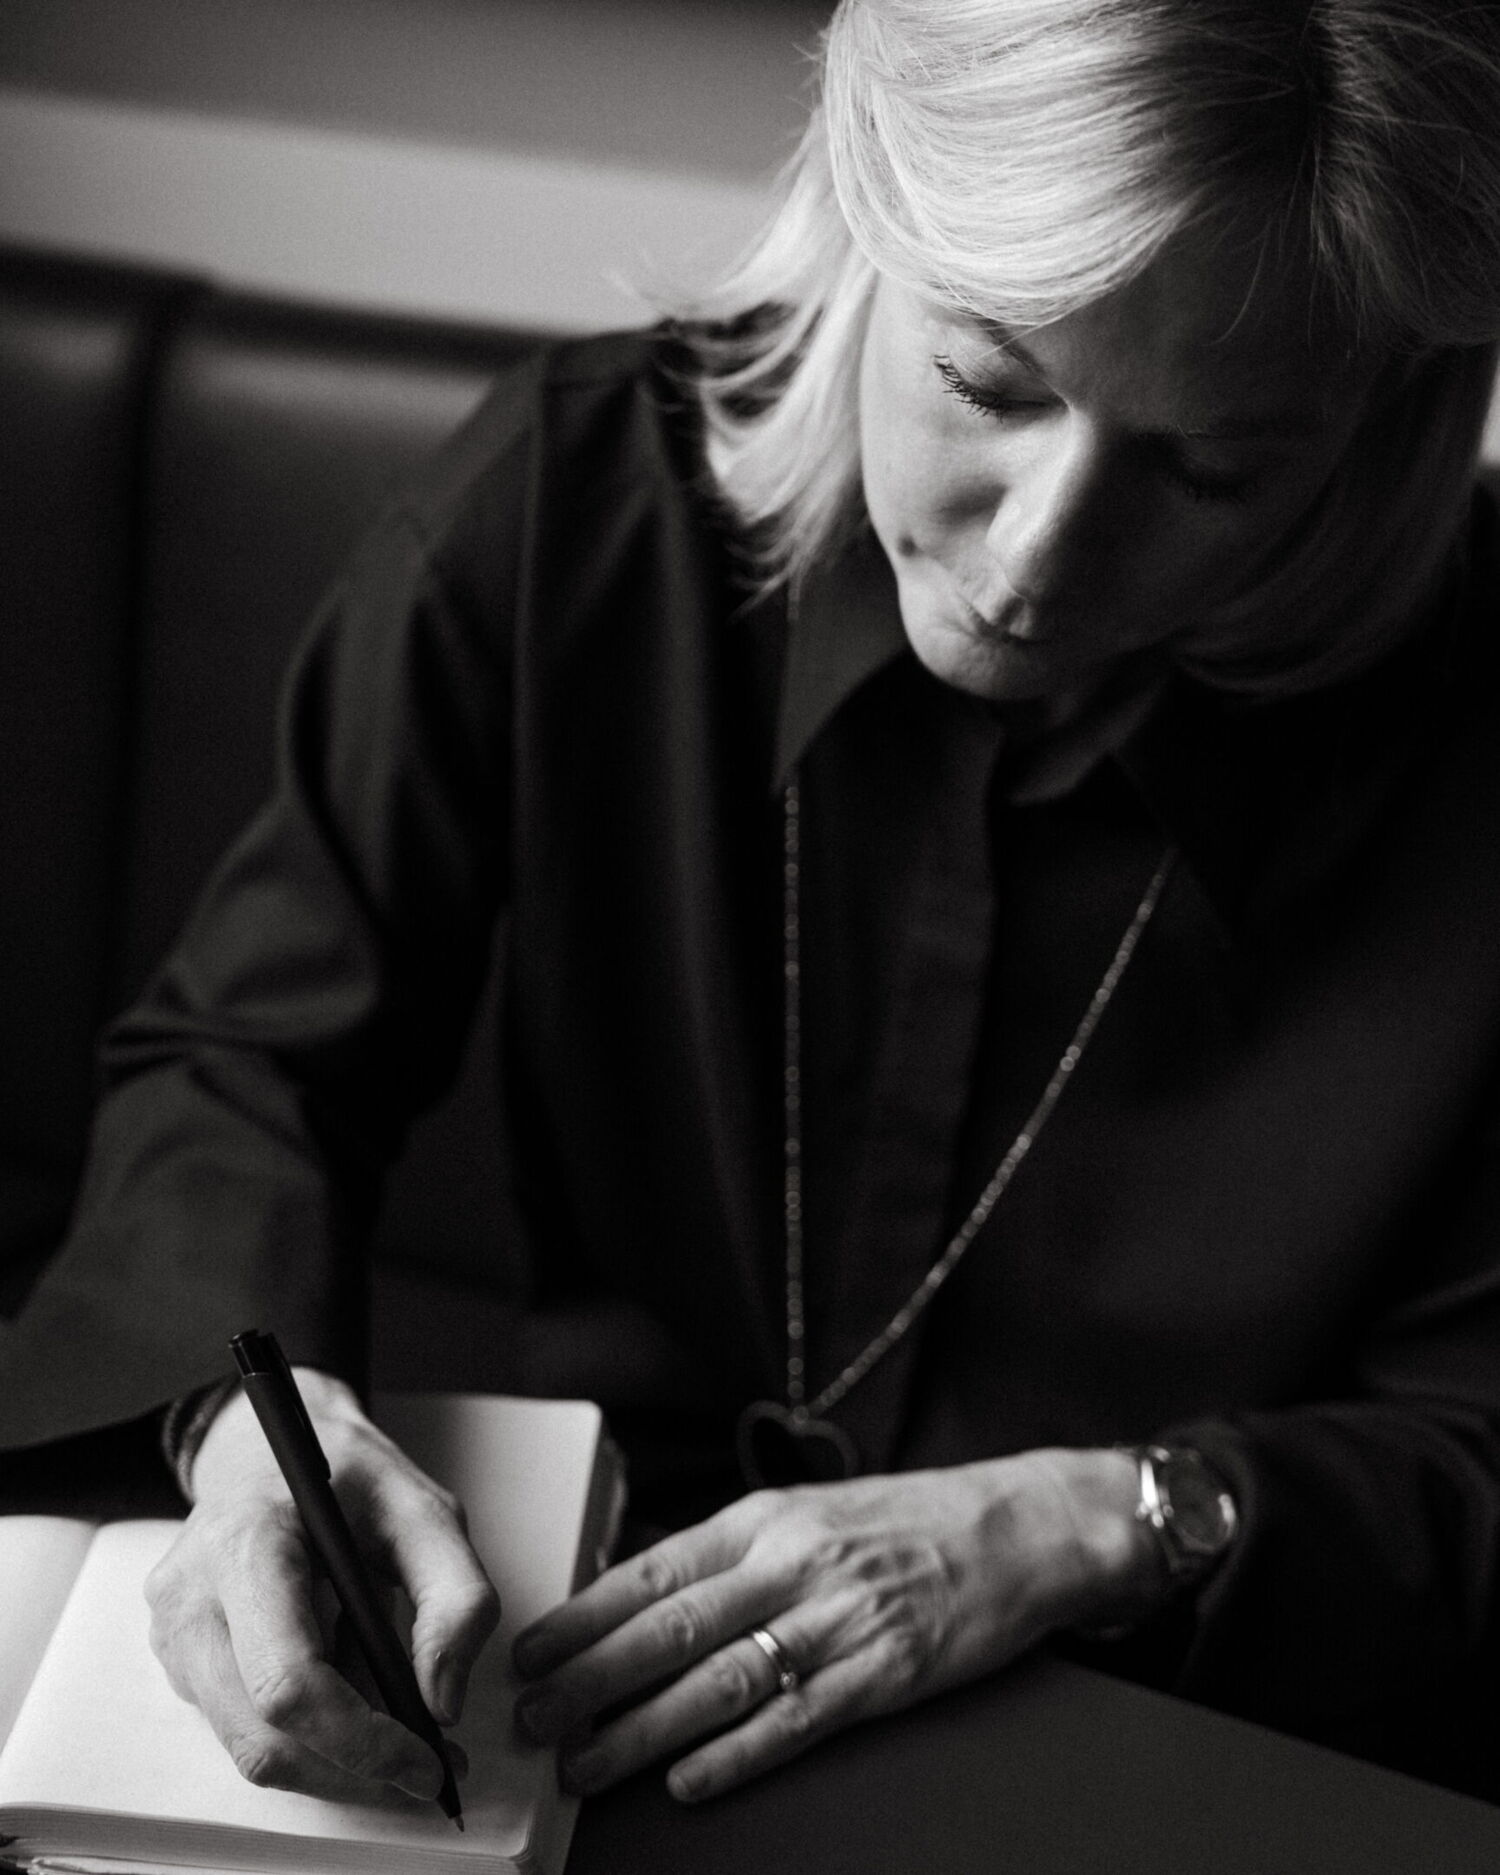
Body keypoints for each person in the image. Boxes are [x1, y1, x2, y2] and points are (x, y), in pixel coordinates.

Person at [8, 0, 1500, 1815]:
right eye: (989, 380)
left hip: (1210, 1729)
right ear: (866, 214)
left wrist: (1098, 1520)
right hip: (577, 1685)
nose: (1039, 563)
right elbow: (248, 1055)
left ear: (1382, 422)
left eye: (1213, 469)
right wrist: (247, 1425)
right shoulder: (567, 505)